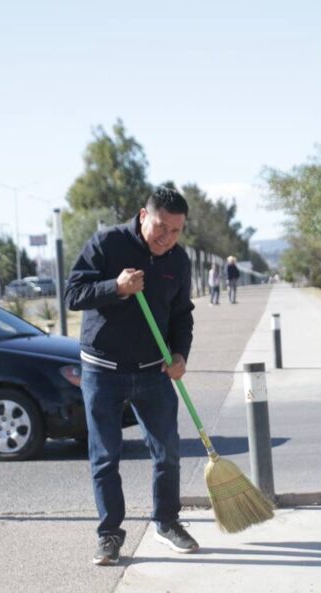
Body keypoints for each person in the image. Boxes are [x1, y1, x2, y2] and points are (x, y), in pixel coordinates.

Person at [65, 186, 199, 565]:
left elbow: (181, 315)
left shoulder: (178, 260)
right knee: (106, 456)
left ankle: (167, 522)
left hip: (152, 372)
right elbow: (73, 294)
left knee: (168, 452)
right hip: (102, 370)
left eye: (176, 231)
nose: (166, 237)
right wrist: (116, 288)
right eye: (161, 227)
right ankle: (109, 534)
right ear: (144, 215)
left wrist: (179, 354)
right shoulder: (108, 243)